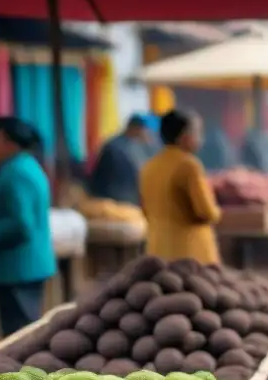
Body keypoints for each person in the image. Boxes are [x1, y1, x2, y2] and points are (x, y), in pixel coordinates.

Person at [0, 117, 55, 337]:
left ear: (8, 142)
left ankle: (28, 373)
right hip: (23, 268)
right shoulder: (24, 165)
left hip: (17, 269)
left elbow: (20, 223)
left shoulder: (15, 173)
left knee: (20, 335)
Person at [139, 109, 221, 265]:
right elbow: (206, 212)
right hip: (191, 255)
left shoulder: (148, 167)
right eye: (198, 132)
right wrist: (217, 211)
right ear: (185, 137)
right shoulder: (189, 165)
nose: (201, 139)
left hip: (156, 252)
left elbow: (145, 209)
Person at [88, 114, 151, 205]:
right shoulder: (118, 147)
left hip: (119, 199)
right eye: (142, 130)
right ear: (135, 129)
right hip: (117, 199)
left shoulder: (120, 144)